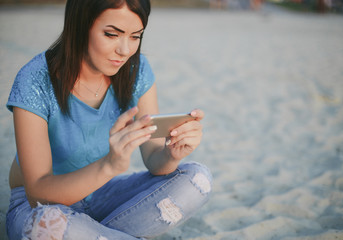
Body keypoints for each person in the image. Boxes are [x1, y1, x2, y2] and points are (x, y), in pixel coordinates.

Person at [5, 0, 212, 239]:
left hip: (102, 194)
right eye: (112, 34)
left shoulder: (137, 69)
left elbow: (155, 161)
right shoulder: (35, 79)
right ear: (80, 26)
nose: (125, 50)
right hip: (38, 207)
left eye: (135, 36)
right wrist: (109, 165)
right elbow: (38, 194)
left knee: (197, 179)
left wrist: (171, 153)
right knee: (48, 225)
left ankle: (94, 233)